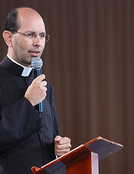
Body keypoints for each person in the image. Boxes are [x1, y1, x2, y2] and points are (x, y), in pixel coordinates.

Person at [0, 7, 71, 174]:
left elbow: (47, 139)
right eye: (30, 35)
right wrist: (28, 102)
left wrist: (58, 149)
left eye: (42, 36)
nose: (38, 42)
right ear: (9, 38)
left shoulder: (46, 87)